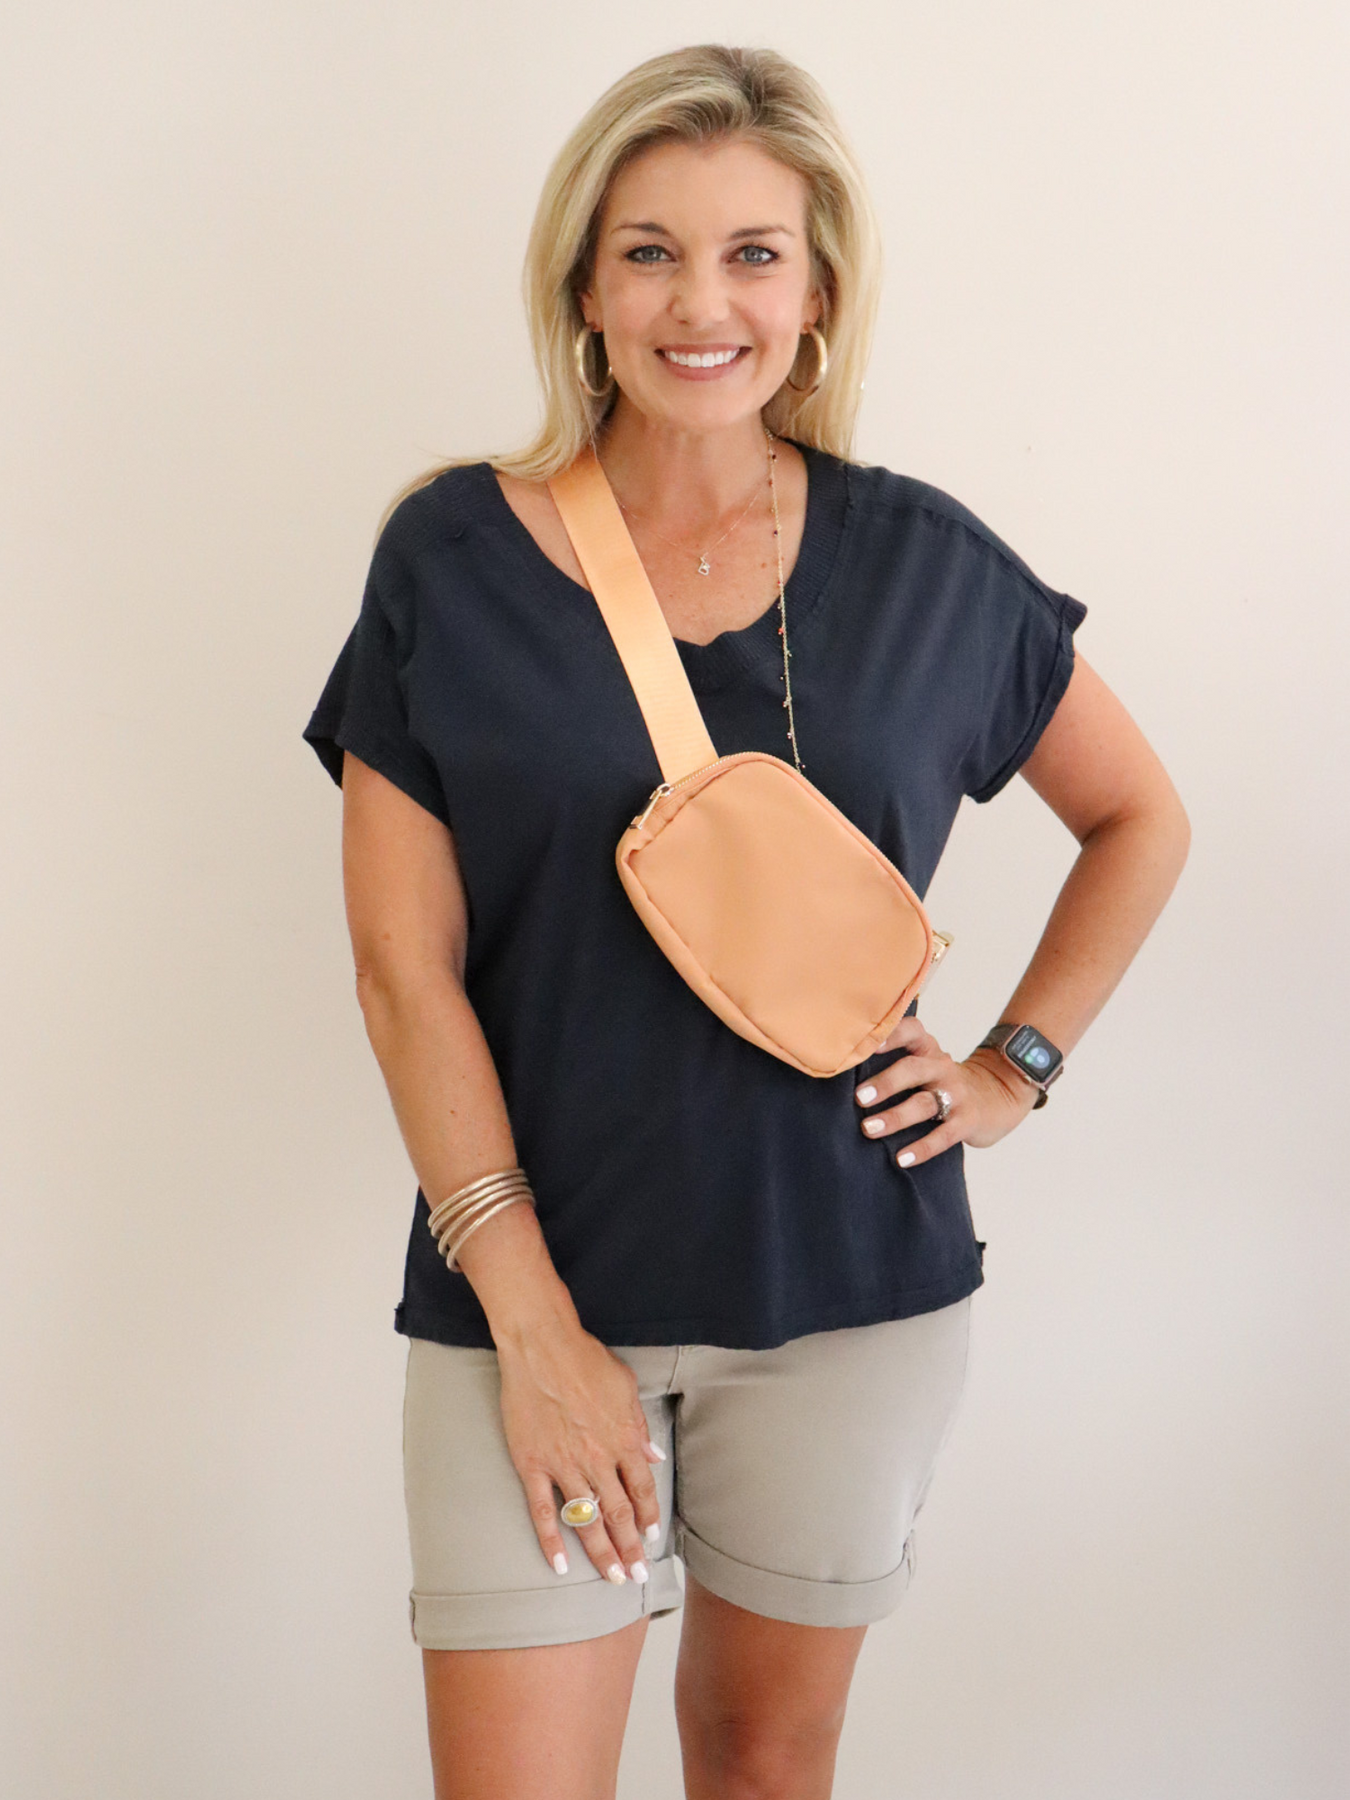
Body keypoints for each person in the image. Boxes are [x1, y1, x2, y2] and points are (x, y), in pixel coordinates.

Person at [302, 42, 1189, 1800]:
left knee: (764, 1767)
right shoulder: (450, 563)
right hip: (530, 1294)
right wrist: (531, 1327)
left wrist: (1012, 1066)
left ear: (818, 293)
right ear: (582, 288)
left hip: (846, 1291)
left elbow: (1138, 818)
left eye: (751, 254)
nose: (699, 303)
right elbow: (405, 975)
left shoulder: (927, 565)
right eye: (647, 252)